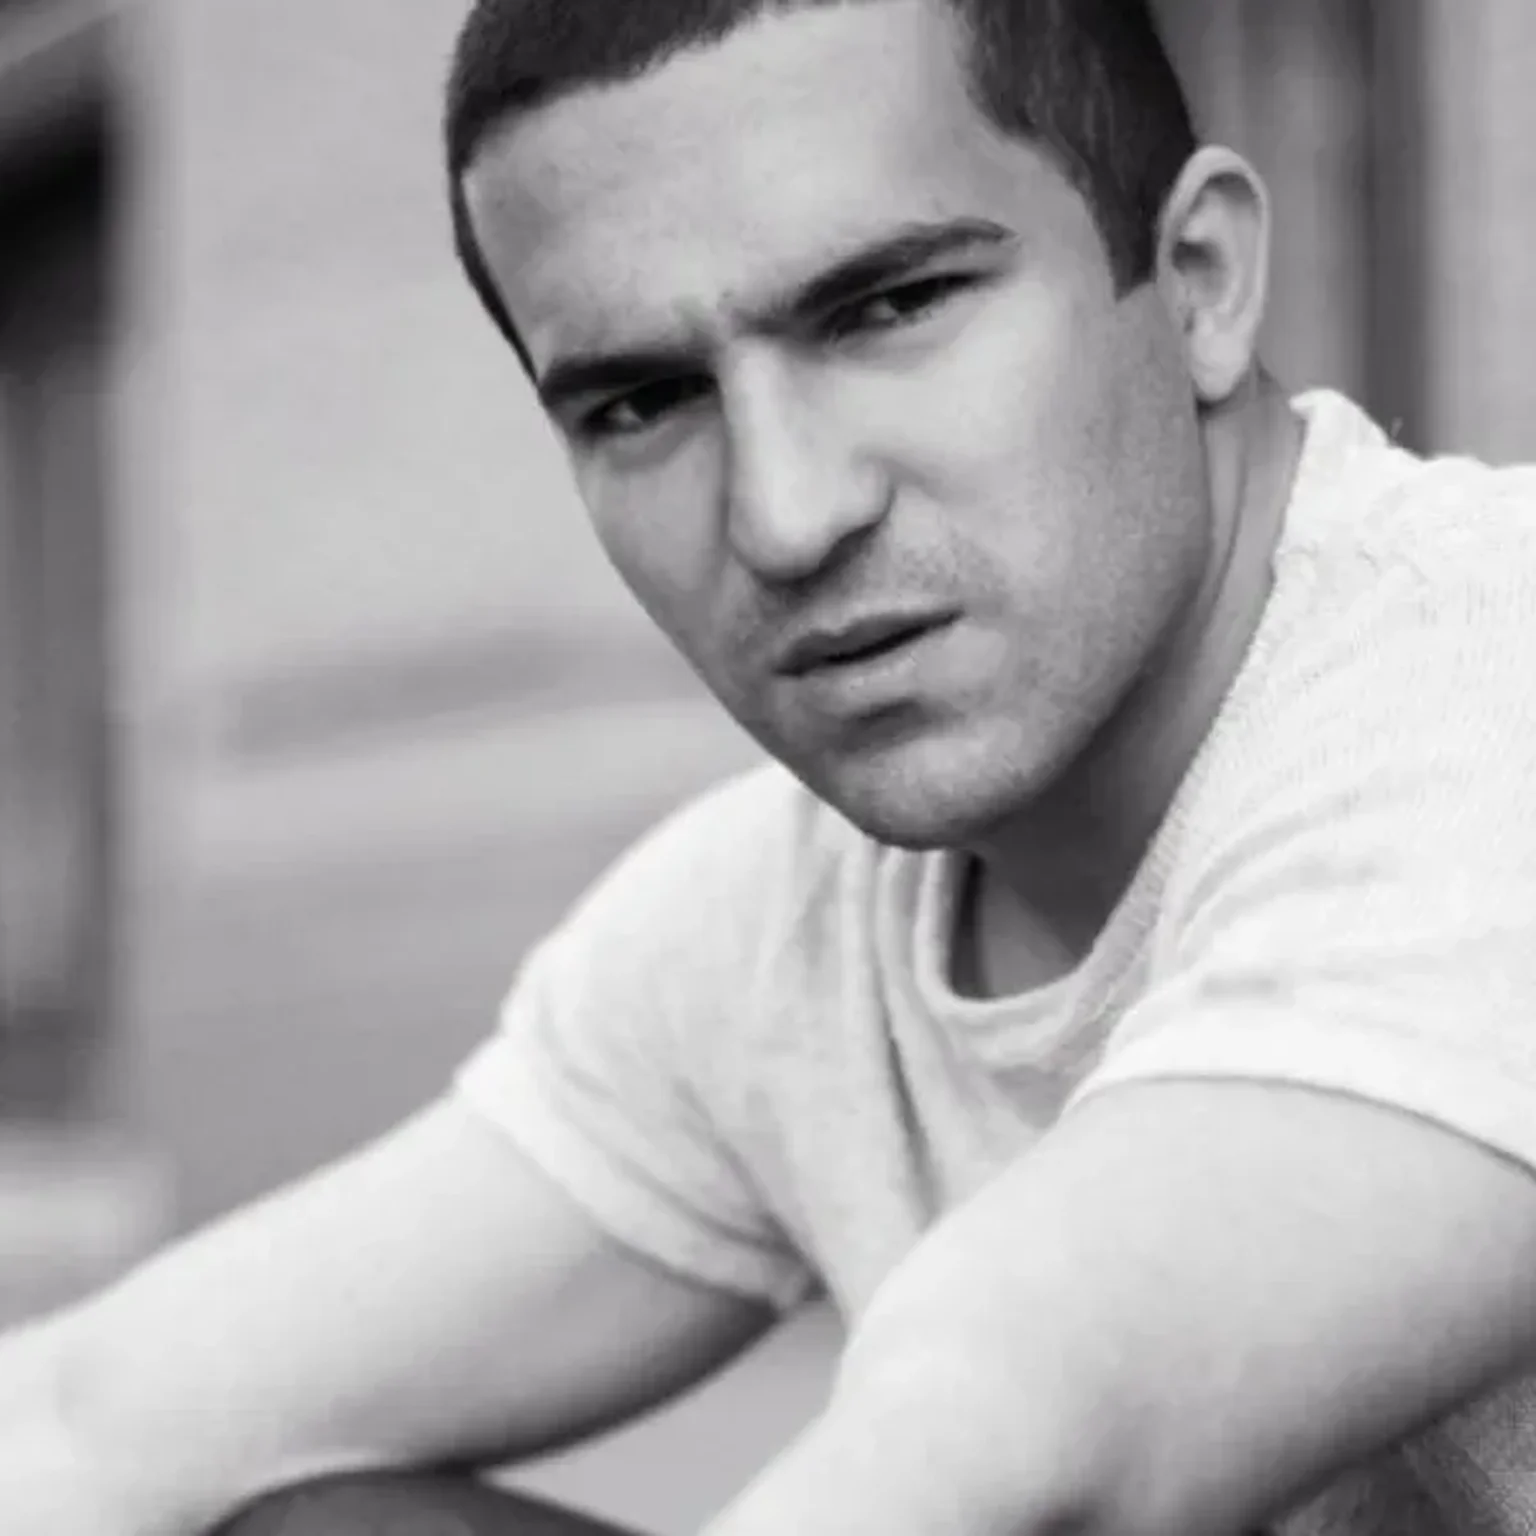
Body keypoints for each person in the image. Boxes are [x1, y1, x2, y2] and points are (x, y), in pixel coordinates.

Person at [8, 0, 1536, 1531]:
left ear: (1198, 278)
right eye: (645, 402)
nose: (788, 517)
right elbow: (102, 1413)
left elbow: (1034, 1420)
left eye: (891, 306)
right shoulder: (784, 932)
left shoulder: (1487, 681)